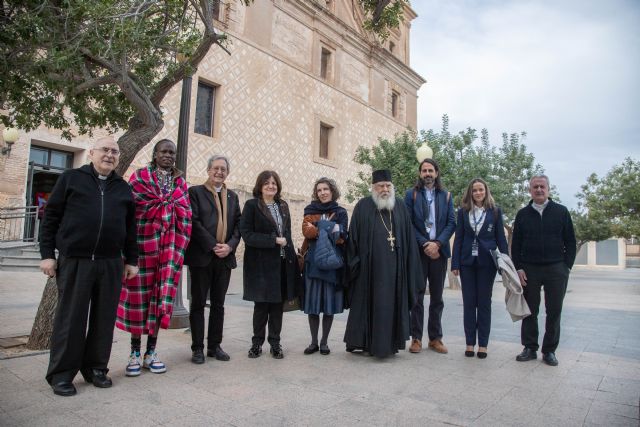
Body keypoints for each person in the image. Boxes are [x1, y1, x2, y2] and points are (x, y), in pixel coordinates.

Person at [39, 136, 139, 397]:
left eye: (114, 151)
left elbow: (131, 230)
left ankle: (96, 369)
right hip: (76, 261)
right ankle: (61, 374)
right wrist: (47, 254)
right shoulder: (71, 178)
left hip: (110, 263)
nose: (110, 155)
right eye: (105, 150)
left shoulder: (123, 188)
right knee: (71, 319)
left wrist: (132, 260)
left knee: (104, 320)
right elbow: (50, 217)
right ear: (92, 153)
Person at [115, 139, 192, 376]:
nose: (168, 156)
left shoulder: (179, 183)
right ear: (155, 154)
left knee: (161, 301)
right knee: (139, 300)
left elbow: (186, 214)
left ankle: (152, 352)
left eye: (172, 152)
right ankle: (134, 353)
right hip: (143, 247)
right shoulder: (140, 178)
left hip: (168, 251)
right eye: (164, 152)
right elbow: (130, 212)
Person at [344, 169, 422, 357]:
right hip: (369, 272)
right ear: (373, 187)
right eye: (381, 186)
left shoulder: (401, 206)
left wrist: (412, 266)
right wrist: (355, 265)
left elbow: (410, 240)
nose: (385, 189)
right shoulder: (363, 206)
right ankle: (364, 342)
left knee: (391, 306)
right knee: (368, 305)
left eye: (388, 186)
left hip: (396, 272)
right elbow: (353, 238)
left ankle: (390, 344)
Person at [512, 175, 576, 366]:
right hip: (530, 269)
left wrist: (566, 267)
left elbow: (570, 241)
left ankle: (549, 351)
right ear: (530, 190)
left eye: (542, 186)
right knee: (530, 310)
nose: (539, 189)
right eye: (535, 187)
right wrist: (519, 268)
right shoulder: (522, 214)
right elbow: (516, 244)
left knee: (554, 310)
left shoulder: (561, 212)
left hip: (556, 268)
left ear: (548, 189)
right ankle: (530, 347)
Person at [184, 155, 241, 364]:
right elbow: (194, 222)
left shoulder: (233, 197)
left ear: (227, 172)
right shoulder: (195, 193)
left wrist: (230, 246)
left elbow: (238, 225)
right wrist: (212, 245)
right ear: (208, 170)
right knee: (198, 303)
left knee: (219, 304)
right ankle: (197, 348)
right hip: (202, 257)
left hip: (224, 258)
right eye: (216, 168)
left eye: (223, 169)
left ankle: (214, 346)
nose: (219, 172)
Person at [239, 171, 299, 359]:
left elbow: (287, 233)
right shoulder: (252, 205)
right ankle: (256, 344)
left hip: (282, 264)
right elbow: (247, 234)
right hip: (260, 266)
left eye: (274, 183)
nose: (271, 186)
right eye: (267, 183)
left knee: (276, 307)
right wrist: (273, 240)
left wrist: (291, 256)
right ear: (260, 185)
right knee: (261, 306)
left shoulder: (283, 206)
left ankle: (275, 343)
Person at [451, 178, 508, 359]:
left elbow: (501, 239)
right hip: (467, 263)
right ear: (470, 192)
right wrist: (455, 264)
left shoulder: (495, 212)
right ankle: (469, 343)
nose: (477, 193)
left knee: (484, 304)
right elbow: (459, 238)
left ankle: (483, 344)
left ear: (486, 191)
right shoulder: (463, 212)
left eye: (480, 190)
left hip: (487, 264)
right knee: (469, 304)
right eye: (474, 190)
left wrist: (506, 262)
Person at [404, 158, 456, 354]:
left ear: (436, 173)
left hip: (439, 253)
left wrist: (438, 243)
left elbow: (452, 223)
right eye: (424, 170)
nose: (427, 174)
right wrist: (425, 243)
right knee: (417, 296)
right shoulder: (411, 195)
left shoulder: (446, 196)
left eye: (431, 170)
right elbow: (408, 223)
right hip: (419, 252)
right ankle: (416, 338)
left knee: (437, 297)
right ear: (420, 174)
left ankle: (435, 338)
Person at [301, 177, 348, 356]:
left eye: (326, 189)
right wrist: (329, 228)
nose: (322, 193)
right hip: (312, 262)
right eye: (319, 190)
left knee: (328, 304)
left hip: (332, 263)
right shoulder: (309, 209)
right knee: (312, 304)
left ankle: (324, 342)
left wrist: (319, 227)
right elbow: (306, 231)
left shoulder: (341, 211)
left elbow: (343, 236)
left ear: (332, 191)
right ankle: (313, 342)